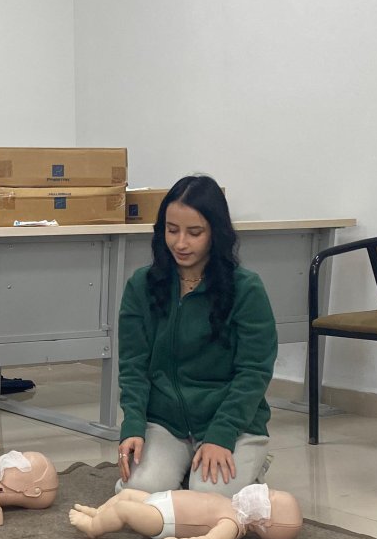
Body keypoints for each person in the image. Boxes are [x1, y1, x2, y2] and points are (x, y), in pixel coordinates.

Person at [116, 175, 278, 498]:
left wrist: (222, 433)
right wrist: (133, 425)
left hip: (230, 423)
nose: (180, 243)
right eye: (172, 230)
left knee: (208, 498)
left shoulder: (246, 289)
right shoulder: (141, 285)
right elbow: (132, 367)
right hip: (165, 423)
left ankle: (249, 462)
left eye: (195, 233)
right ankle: (183, 466)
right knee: (137, 491)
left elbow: (254, 371)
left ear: (215, 233)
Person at [67, 484, 302, 539]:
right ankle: (100, 513)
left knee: (123, 509)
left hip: (163, 519)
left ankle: (93, 528)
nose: (264, 491)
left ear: (266, 523)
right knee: (127, 493)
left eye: (269, 497)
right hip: (161, 499)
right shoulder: (234, 505)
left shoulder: (232, 524)